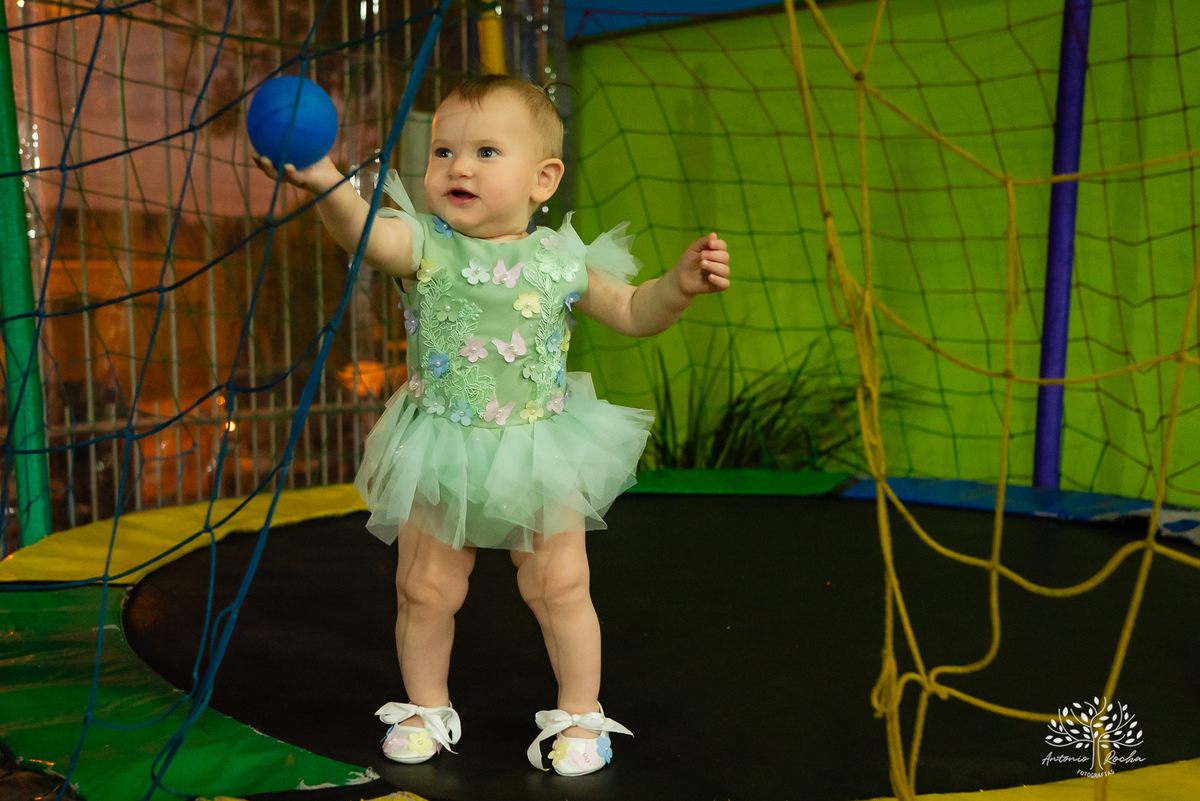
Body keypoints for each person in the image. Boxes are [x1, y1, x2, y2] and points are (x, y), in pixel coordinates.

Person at [254, 73, 731, 777]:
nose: (458, 167)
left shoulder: (562, 259)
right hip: (440, 443)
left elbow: (633, 310)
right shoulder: (423, 245)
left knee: (561, 585)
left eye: (484, 152)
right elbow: (367, 238)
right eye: (443, 151)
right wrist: (326, 178)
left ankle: (580, 713)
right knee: (424, 587)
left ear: (543, 178)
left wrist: (677, 287)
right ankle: (424, 706)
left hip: (538, 443)